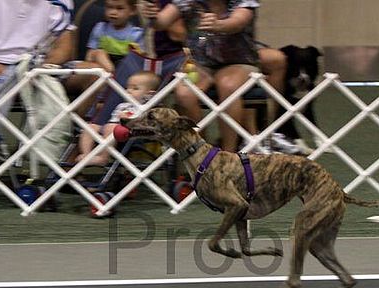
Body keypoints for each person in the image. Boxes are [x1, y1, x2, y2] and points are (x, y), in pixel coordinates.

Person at [0, 0, 95, 198]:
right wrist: (4, 74)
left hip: (38, 66)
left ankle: (66, 163)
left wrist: (37, 70)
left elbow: (65, 46)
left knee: (95, 75)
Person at [140, 0, 261, 152]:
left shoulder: (244, 2)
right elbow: (161, 22)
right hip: (201, 62)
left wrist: (219, 25)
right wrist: (153, 17)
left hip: (239, 61)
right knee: (184, 93)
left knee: (227, 85)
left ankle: (228, 154)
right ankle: (200, 150)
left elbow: (238, 22)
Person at [76, 70, 161, 166]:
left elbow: (145, 123)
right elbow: (113, 119)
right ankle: (87, 154)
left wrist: (127, 119)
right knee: (90, 127)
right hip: (112, 129)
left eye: (135, 88)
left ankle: (103, 158)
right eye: (127, 87)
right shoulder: (122, 105)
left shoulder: (148, 107)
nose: (128, 91)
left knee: (110, 127)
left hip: (132, 132)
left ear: (149, 94)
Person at [85, 0, 145, 73]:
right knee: (98, 53)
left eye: (119, 8)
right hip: (101, 71)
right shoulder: (100, 29)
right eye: (109, 7)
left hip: (125, 71)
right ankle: (110, 72)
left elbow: (137, 62)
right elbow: (89, 56)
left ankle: (113, 75)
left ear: (132, 10)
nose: (113, 12)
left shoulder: (136, 34)